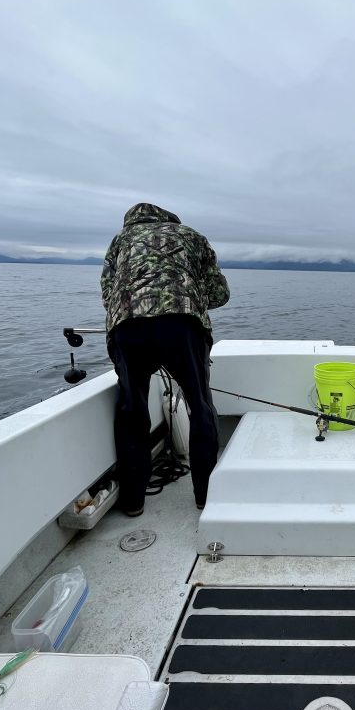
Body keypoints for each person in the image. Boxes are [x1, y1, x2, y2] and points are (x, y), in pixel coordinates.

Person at [101, 202, 230, 516]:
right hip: (181, 325)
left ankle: (132, 501)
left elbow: (107, 292)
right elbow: (219, 293)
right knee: (199, 406)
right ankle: (206, 496)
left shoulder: (119, 241)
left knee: (132, 410)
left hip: (127, 327)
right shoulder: (190, 235)